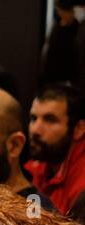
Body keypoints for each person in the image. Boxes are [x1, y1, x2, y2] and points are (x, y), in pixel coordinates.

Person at [25, 82, 85, 216]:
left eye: (50, 120)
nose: (35, 130)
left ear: (79, 129)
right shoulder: (37, 166)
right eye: (33, 118)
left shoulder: (82, 185)